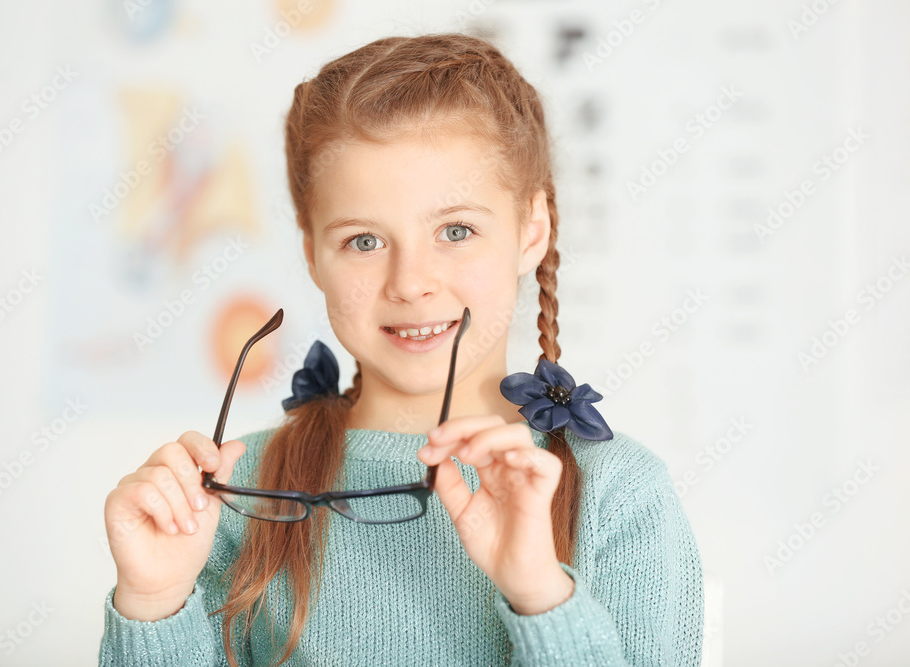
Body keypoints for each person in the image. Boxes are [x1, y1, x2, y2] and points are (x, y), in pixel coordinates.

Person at [98, 31, 704, 666]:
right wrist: (156, 602)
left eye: (456, 230)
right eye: (364, 241)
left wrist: (541, 595)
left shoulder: (619, 493)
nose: (411, 283)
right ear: (312, 254)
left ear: (532, 231)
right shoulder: (232, 494)